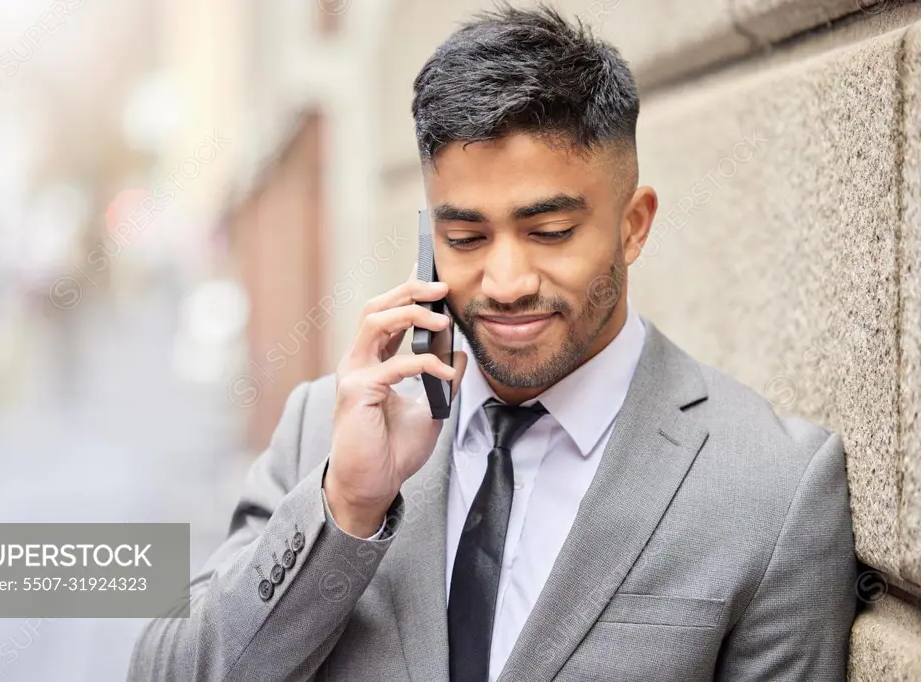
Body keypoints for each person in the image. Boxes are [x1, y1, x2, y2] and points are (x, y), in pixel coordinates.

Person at [128, 4, 857, 680]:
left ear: (633, 226)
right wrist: (346, 507)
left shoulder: (771, 489)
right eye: (465, 235)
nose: (504, 280)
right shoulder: (324, 433)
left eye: (549, 232)